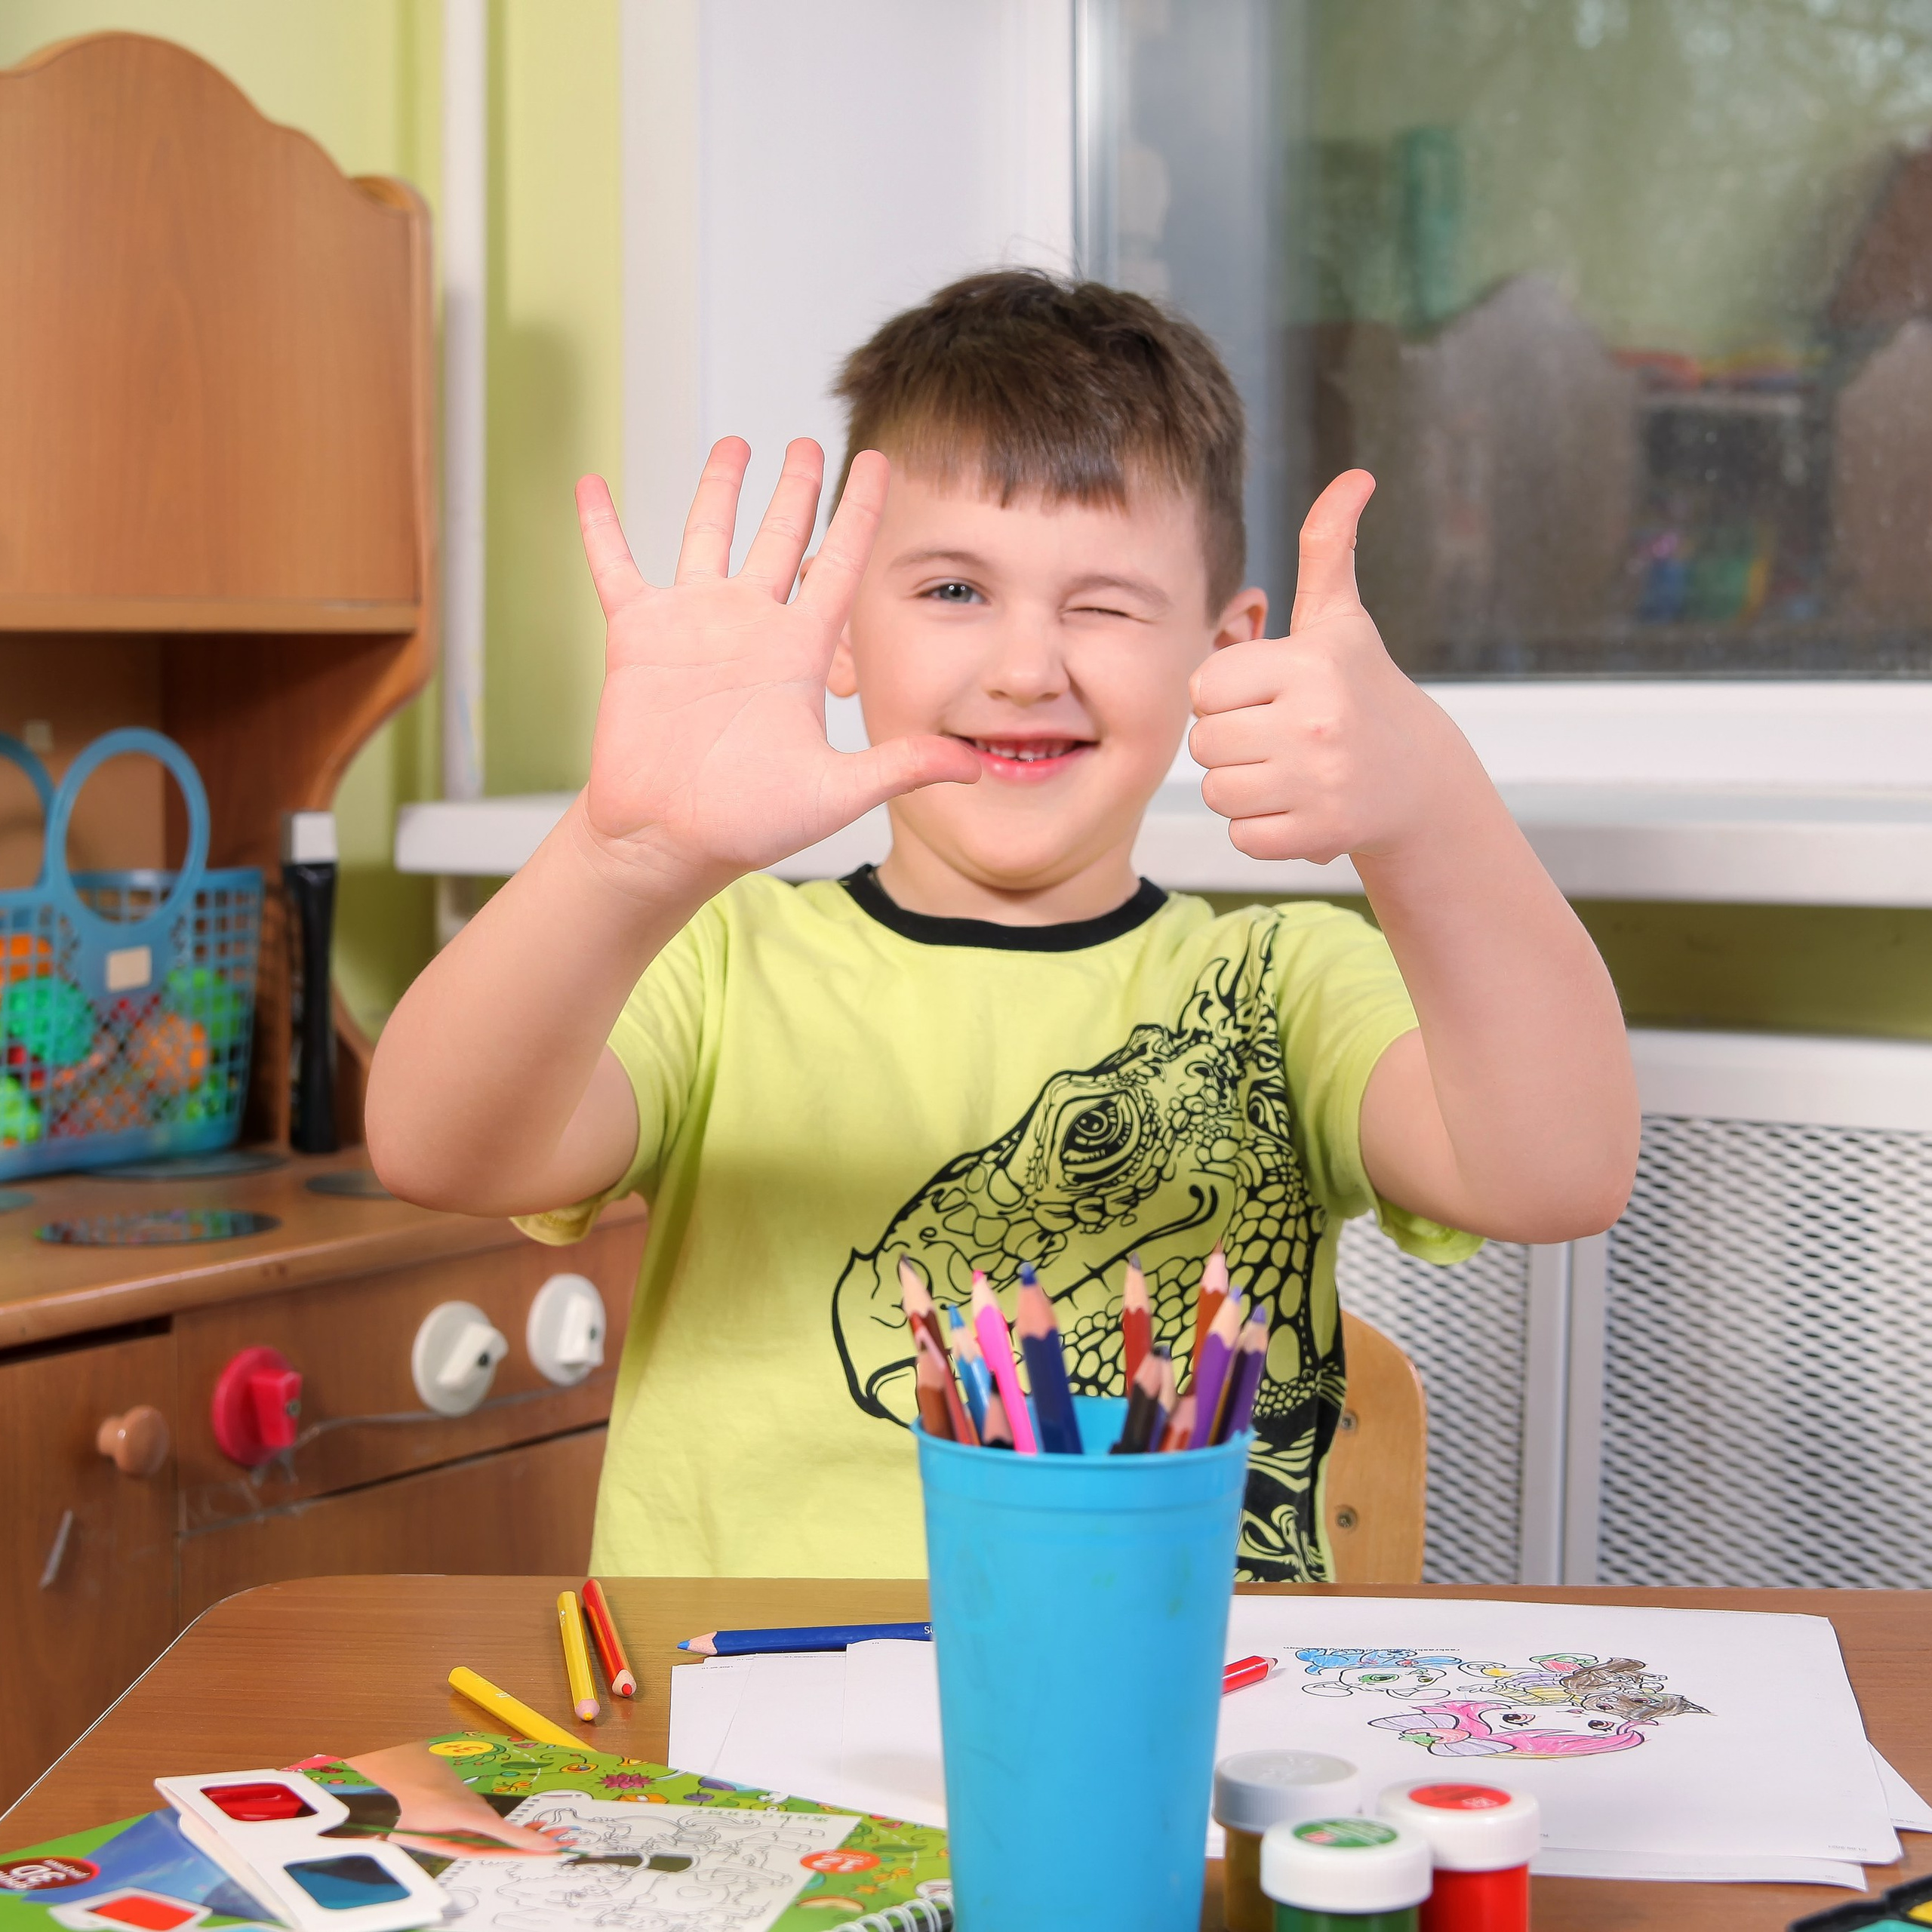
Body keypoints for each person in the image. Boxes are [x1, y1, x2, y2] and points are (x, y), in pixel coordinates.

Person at [366, 271, 1636, 1582]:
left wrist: (1430, 805)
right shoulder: (724, 962)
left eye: (1101, 603)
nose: (1029, 665)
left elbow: (1559, 1171)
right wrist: (622, 856)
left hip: (1165, 1737)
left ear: (1227, 646)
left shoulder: (1281, 986)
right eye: (955, 592)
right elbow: (434, 1146)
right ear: (837, 627)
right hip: (746, 1747)